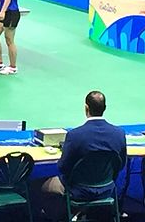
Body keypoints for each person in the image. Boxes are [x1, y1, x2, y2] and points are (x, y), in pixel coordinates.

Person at [40, 91, 126, 221]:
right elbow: (121, 164)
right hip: (107, 189)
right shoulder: (119, 133)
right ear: (105, 108)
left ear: (86, 108)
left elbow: (63, 167)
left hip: (78, 190)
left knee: (38, 185)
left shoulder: (75, 135)